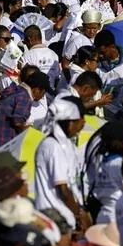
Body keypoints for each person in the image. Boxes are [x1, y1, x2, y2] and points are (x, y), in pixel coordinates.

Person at [34, 96, 88, 232]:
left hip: (63, 219)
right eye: (80, 119)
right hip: (53, 222)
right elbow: (63, 189)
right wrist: (80, 215)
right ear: (69, 122)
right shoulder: (53, 146)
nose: (83, 123)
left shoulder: (65, 145)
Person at [0, 70, 49, 149]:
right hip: (1, 144)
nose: (42, 97)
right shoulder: (24, 97)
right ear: (36, 90)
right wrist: (32, 128)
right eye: (43, 93)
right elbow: (17, 122)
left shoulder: (14, 91)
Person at [88, 120, 123, 224]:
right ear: (121, 143)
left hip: (103, 214)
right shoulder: (120, 164)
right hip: (118, 216)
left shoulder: (102, 162)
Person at [20, 25, 61, 89]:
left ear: (29, 39)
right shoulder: (54, 55)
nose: (25, 44)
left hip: (34, 94)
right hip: (51, 94)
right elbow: (57, 78)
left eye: (25, 41)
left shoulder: (27, 55)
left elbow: (24, 79)